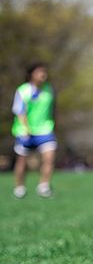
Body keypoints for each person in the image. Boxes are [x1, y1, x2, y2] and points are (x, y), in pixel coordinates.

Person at [11, 62, 57, 199]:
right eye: (39, 72)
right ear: (31, 74)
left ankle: (44, 186)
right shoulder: (23, 90)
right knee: (22, 162)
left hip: (45, 130)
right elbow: (19, 111)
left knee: (49, 158)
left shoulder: (50, 90)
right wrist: (25, 129)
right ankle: (19, 188)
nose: (43, 74)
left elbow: (53, 109)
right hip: (25, 130)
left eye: (44, 72)